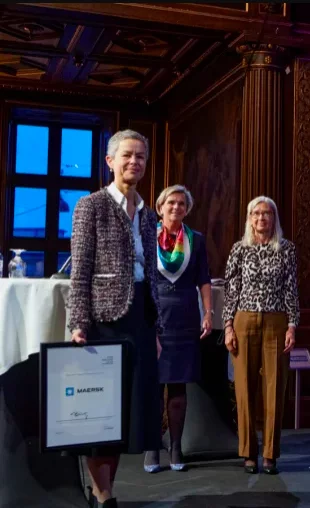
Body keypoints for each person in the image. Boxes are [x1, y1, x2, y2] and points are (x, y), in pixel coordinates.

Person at [68, 129, 162, 508]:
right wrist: (79, 323)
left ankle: (104, 490)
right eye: (127, 155)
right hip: (103, 320)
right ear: (110, 161)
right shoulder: (90, 206)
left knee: (128, 412)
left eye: (140, 156)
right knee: (100, 411)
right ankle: (103, 494)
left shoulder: (149, 215)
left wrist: (156, 328)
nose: (134, 162)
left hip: (141, 318)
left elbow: (152, 274)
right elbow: (80, 271)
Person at [222, 196, 299, 475]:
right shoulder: (239, 249)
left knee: (275, 388)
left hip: (276, 321)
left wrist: (292, 325)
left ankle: (270, 454)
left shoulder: (286, 249)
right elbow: (231, 289)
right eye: (256, 213)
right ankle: (248, 452)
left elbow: (291, 289)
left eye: (266, 213)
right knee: (244, 388)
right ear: (249, 218)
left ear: (274, 218)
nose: (261, 218)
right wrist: (228, 326)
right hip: (244, 320)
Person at [143, 185, 212, 473]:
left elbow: (204, 279)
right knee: (153, 386)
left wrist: (208, 312)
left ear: (187, 209)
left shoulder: (196, 240)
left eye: (182, 203)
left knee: (178, 385)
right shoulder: (147, 237)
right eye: (171, 202)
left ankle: (175, 446)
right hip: (154, 315)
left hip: (185, 317)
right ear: (160, 207)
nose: (176, 207)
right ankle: (151, 446)